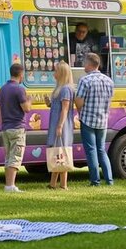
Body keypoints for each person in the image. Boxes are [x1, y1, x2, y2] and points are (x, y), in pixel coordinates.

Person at [75, 53, 114, 186]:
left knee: (91, 150)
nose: (83, 65)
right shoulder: (109, 80)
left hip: (87, 119)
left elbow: (79, 101)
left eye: (84, 63)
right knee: (101, 149)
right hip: (102, 120)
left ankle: (95, 180)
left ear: (89, 64)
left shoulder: (85, 80)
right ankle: (109, 179)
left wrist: (80, 111)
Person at [0, 63, 32, 193]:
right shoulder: (19, 89)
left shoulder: (2, 89)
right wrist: (30, 100)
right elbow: (26, 108)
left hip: (5, 127)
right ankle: (10, 186)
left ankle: (8, 184)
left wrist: (2, 125)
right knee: (15, 157)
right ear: (21, 74)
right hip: (17, 127)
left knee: (8, 157)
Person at [44, 61, 75, 190]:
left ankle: (63, 184)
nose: (54, 73)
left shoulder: (66, 89)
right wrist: (48, 103)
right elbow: (57, 106)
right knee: (57, 151)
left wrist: (60, 126)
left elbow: (65, 109)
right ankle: (53, 183)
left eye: (56, 71)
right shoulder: (59, 88)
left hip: (62, 124)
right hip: (56, 123)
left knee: (62, 151)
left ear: (61, 73)